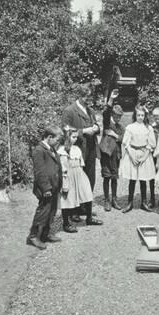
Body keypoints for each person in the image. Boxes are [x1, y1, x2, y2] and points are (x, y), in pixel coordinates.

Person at [62, 84, 100, 221]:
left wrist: (96, 127)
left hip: (90, 149)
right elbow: (65, 129)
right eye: (87, 97)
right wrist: (83, 131)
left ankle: (85, 207)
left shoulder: (90, 110)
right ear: (80, 95)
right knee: (75, 180)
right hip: (76, 151)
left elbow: (96, 124)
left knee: (89, 179)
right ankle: (74, 210)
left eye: (90, 97)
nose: (89, 100)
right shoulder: (70, 110)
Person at [58, 126, 103, 231]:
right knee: (67, 198)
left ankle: (89, 218)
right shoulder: (62, 151)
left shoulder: (77, 149)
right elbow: (63, 168)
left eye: (76, 137)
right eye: (73, 137)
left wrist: (81, 175)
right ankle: (66, 223)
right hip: (68, 176)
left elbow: (81, 164)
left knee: (87, 193)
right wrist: (64, 181)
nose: (76, 139)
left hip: (79, 173)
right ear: (67, 137)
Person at [27, 125, 64, 250]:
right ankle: (33, 236)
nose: (58, 142)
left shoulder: (51, 148)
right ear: (49, 137)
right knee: (43, 211)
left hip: (54, 187)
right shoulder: (39, 150)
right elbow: (40, 172)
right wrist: (46, 188)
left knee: (52, 211)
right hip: (46, 189)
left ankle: (45, 234)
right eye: (57, 139)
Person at [120, 105, 157, 213]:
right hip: (133, 153)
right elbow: (126, 143)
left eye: (142, 115)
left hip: (144, 154)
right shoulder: (130, 127)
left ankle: (143, 202)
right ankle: (130, 202)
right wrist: (131, 156)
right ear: (135, 116)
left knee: (143, 179)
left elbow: (151, 144)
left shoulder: (148, 128)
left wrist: (145, 156)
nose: (140, 117)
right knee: (132, 179)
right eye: (138, 115)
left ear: (145, 116)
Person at [99, 89, 125, 212]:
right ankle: (107, 200)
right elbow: (106, 112)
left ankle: (114, 199)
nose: (118, 118)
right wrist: (111, 99)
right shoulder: (107, 123)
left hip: (116, 155)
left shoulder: (121, 128)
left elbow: (123, 139)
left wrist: (115, 135)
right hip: (106, 153)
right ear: (112, 115)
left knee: (114, 177)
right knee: (106, 176)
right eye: (116, 115)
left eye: (120, 116)